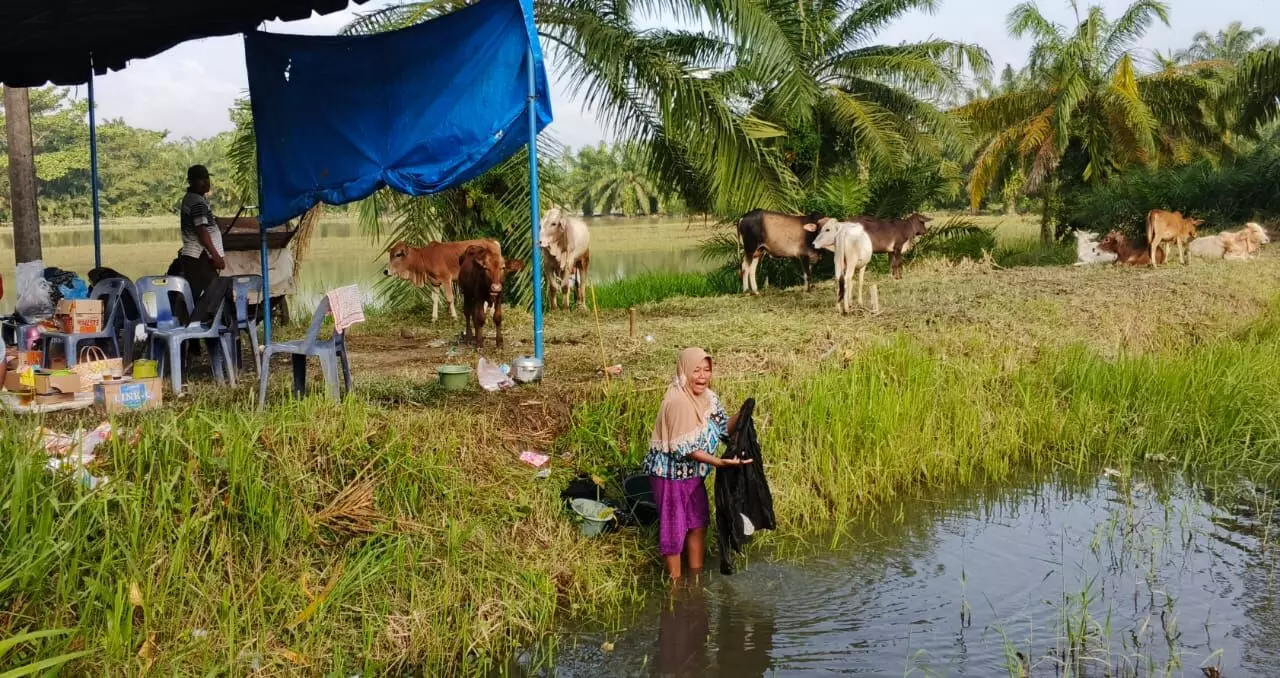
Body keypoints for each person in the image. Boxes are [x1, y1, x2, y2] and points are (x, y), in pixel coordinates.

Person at [644, 347, 747, 585]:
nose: (702, 376)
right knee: (674, 530)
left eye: (707, 370)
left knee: (698, 524)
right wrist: (719, 463)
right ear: (684, 371)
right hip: (669, 476)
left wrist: (742, 414)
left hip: (694, 474)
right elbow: (686, 449)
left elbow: (723, 430)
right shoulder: (677, 400)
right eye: (696, 370)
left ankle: (696, 579)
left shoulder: (709, 398)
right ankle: (676, 587)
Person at [177, 165, 226, 301]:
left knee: (196, 295)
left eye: (207, 178)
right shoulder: (197, 202)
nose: (206, 182)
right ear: (191, 182)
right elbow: (201, 230)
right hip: (200, 256)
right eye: (201, 180)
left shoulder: (192, 198)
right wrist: (216, 256)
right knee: (215, 294)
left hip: (196, 257)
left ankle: (190, 320)